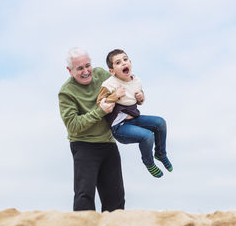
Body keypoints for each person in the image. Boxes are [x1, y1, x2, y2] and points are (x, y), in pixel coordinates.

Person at [58, 47, 125, 212]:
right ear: (70, 70)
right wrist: (100, 111)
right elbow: (73, 126)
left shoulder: (102, 75)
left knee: (116, 199)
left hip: (108, 143)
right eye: (80, 68)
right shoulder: (66, 93)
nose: (86, 71)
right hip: (83, 145)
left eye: (87, 65)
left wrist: (139, 95)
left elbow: (125, 85)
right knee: (84, 197)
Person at [97, 49, 173, 178]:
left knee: (160, 122)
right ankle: (149, 162)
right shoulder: (109, 84)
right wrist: (115, 96)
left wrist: (141, 97)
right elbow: (100, 103)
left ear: (130, 62)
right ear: (112, 71)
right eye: (118, 62)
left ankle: (161, 154)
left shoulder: (136, 80)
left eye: (125, 60)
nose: (123, 63)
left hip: (134, 119)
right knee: (148, 136)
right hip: (119, 127)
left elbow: (139, 100)